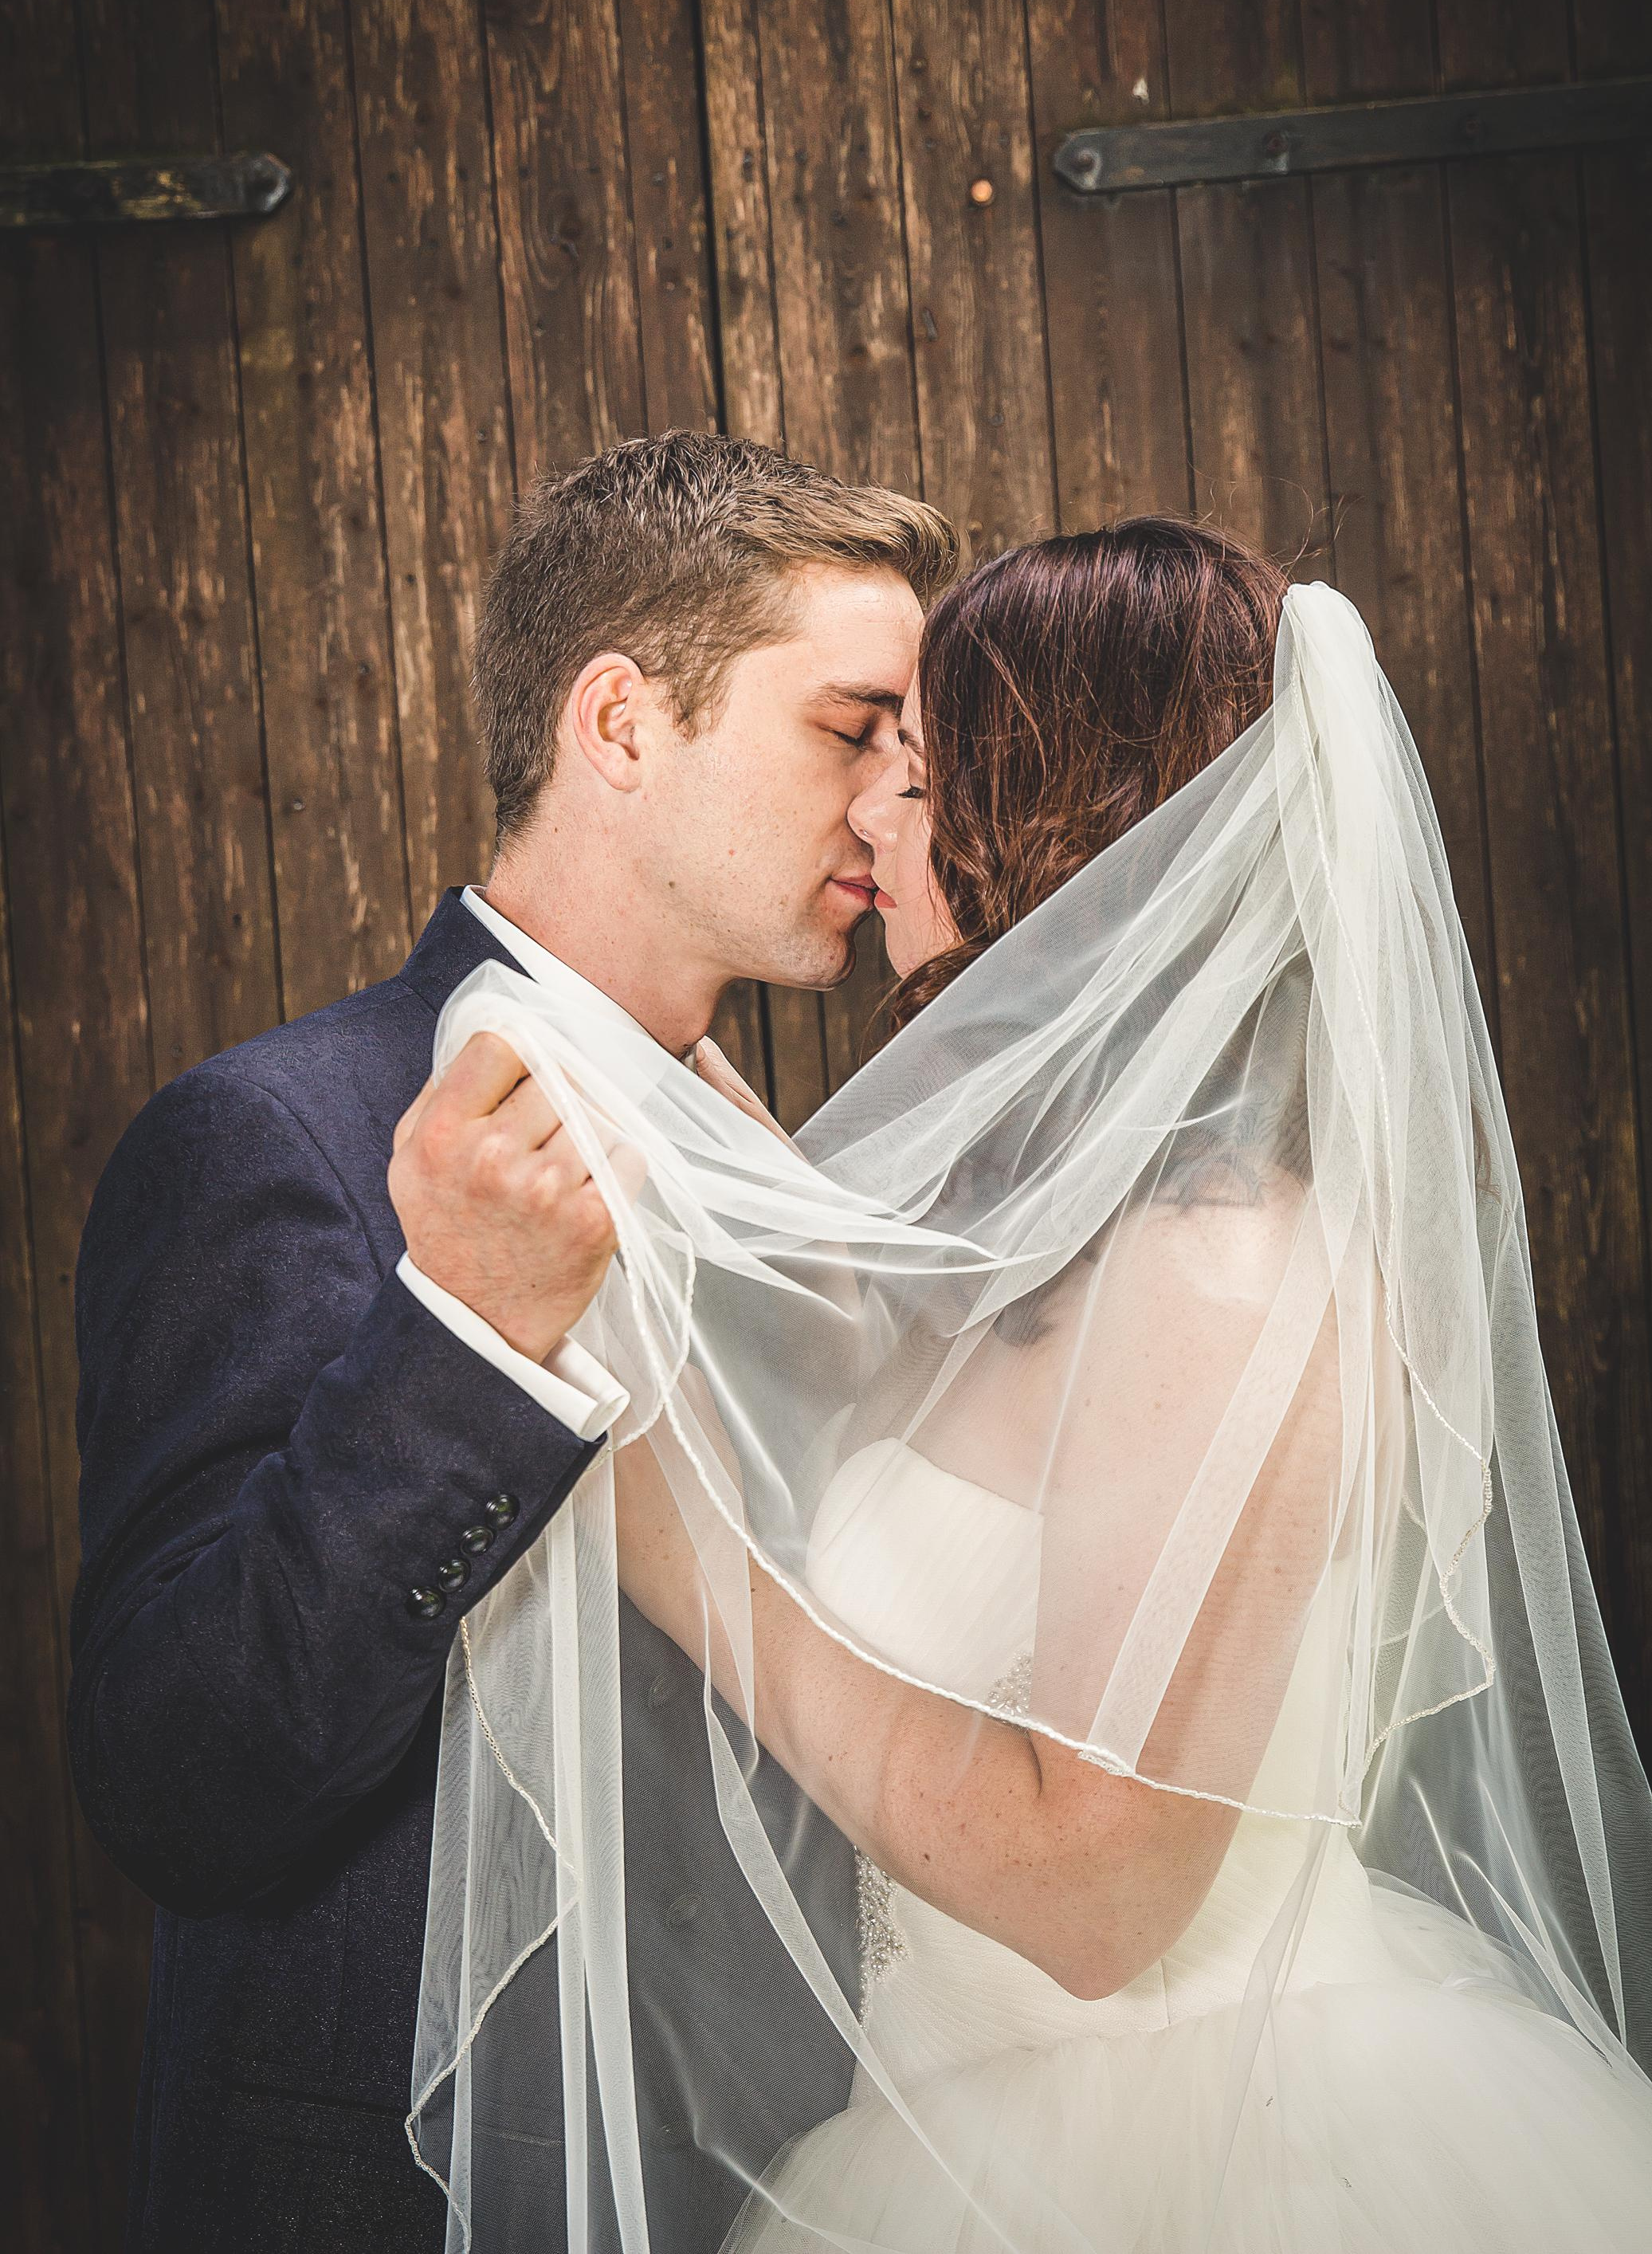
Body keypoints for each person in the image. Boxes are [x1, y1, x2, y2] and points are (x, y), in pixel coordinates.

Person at [418, 519, 1652, 2249]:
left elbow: (1097, 1891)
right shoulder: (1059, 1232)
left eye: (915, 781)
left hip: (1193, 2157)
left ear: (1065, 818)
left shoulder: (1218, 1263)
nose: (865, 818)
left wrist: (670, 1532)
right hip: (939, 2115)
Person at [68, 432, 958, 2254]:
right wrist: (465, 1334)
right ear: (619, 724)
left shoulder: (797, 1174)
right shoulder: (278, 1135)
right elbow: (180, 1775)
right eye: (846, 727)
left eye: (909, 746)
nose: (892, 801)